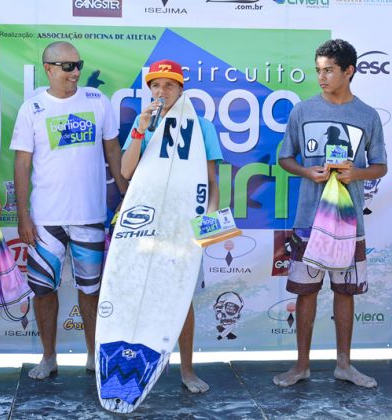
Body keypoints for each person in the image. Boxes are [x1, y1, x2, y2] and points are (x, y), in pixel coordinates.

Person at [273, 39, 387, 388]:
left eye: (329, 71)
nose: (321, 77)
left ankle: (344, 365)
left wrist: (358, 173)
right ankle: (301, 366)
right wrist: (308, 172)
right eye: (318, 70)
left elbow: (380, 166)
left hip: (349, 222)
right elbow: (284, 157)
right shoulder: (302, 111)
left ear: (349, 71)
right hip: (309, 220)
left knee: (345, 291)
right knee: (305, 292)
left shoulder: (367, 115)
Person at [11, 41, 127, 380]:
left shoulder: (97, 101)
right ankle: (49, 358)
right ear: (48, 68)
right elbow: (21, 164)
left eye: (78, 65)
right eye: (67, 66)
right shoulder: (32, 109)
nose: (75, 72)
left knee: (91, 292)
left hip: (90, 216)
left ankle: (94, 355)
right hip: (45, 220)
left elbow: (113, 152)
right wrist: (22, 216)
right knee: (44, 292)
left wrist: (125, 198)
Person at [120, 59, 222, 393]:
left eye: (168, 85)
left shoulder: (201, 125)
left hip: (183, 224)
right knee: (138, 295)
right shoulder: (143, 122)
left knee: (180, 297)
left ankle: (187, 370)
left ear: (181, 90)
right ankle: (135, 367)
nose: (161, 91)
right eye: (155, 85)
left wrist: (209, 222)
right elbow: (126, 171)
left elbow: (211, 180)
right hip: (145, 223)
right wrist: (140, 128)